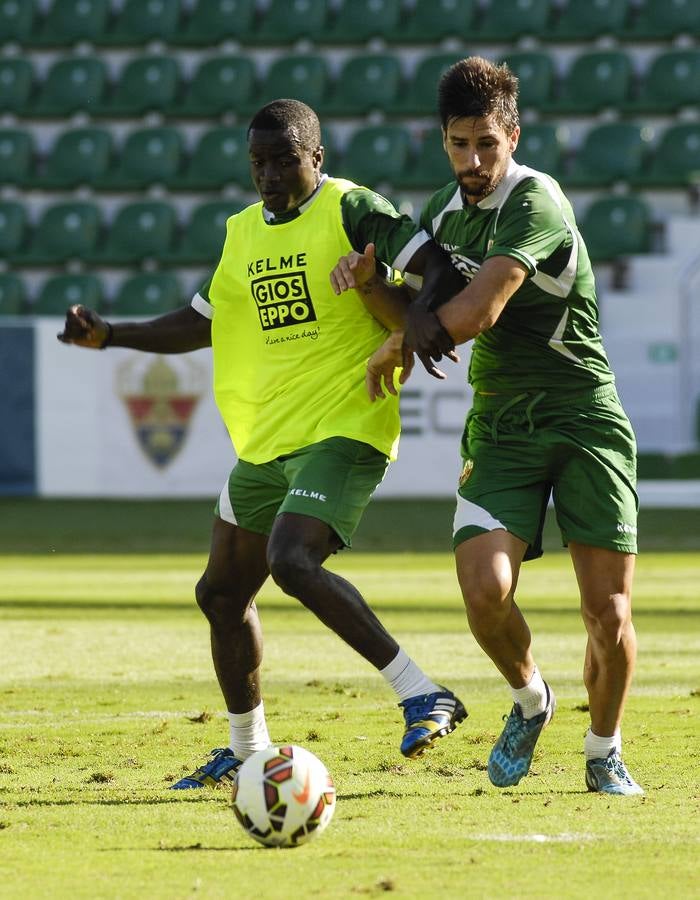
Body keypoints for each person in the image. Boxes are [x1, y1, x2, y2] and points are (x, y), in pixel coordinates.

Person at [57, 99, 467, 789]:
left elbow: (441, 271)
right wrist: (113, 335)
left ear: (317, 157)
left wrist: (414, 324)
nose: (270, 176)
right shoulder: (242, 232)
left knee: (292, 559)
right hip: (266, 442)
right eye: (259, 164)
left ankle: (421, 691)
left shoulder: (353, 209)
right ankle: (247, 750)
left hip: (344, 425)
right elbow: (201, 320)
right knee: (220, 594)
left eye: (285, 160)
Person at [335, 58, 643, 796]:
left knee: (606, 611)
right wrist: (375, 285)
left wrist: (401, 339)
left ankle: (604, 750)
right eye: (457, 146)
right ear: (443, 142)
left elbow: (474, 314)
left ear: (512, 134)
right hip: (502, 422)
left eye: (485, 145)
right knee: (484, 592)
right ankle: (532, 699)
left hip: (583, 418)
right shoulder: (444, 208)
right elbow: (416, 317)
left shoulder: (536, 200)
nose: (472, 162)